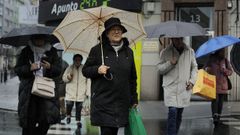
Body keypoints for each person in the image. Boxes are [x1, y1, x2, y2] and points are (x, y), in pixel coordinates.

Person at [82, 17, 138, 135]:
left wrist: (134, 98)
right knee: (107, 132)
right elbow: (85, 71)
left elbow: (132, 78)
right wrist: (97, 69)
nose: (117, 32)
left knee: (115, 131)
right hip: (104, 102)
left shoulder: (129, 52)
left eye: (119, 29)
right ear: (107, 33)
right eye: (113, 30)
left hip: (122, 102)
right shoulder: (97, 50)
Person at [14, 34, 61, 135]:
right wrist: (29, 68)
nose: (39, 41)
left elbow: (58, 70)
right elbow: (17, 69)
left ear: (45, 40)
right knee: (28, 120)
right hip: (29, 92)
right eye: (37, 39)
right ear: (33, 39)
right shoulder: (26, 51)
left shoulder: (52, 51)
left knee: (45, 120)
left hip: (46, 90)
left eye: (41, 39)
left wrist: (50, 67)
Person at [157, 37, 198, 135]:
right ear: (172, 39)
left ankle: (174, 132)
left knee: (179, 114)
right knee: (173, 111)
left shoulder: (190, 51)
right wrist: (170, 63)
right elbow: (159, 69)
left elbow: (194, 68)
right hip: (170, 88)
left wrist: (192, 81)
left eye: (180, 39)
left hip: (184, 88)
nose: (179, 41)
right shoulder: (165, 52)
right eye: (176, 39)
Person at [62, 54, 90, 134]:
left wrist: (87, 92)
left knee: (79, 107)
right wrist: (68, 77)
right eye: (76, 60)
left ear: (81, 60)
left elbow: (88, 81)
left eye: (79, 60)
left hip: (81, 91)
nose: (77, 61)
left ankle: (78, 121)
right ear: (73, 60)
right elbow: (64, 78)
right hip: (71, 91)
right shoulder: (70, 67)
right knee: (69, 104)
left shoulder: (84, 68)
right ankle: (68, 115)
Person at [204, 49, 233, 125]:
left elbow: (230, 72)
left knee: (220, 103)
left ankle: (218, 116)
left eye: (224, 52)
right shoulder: (211, 60)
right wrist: (207, 69)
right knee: (215, 101)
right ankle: (215, 117)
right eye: (222, 52)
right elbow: (204, 69)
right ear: (218, 51)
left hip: (223, 85)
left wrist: (225, 71)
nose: (224, 53)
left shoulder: (225, 61)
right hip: (213, 84)